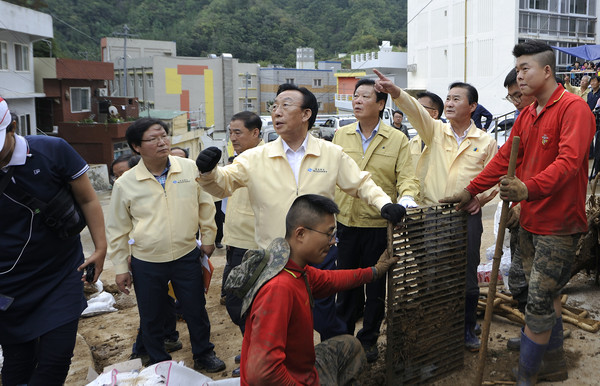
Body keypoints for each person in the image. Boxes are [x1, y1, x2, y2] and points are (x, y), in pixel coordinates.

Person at [196, 83, 406, 341]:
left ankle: (332, 362)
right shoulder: (255, 157)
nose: (276, 113)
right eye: (274, 107)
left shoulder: (330, 153)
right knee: (279, 321)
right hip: (272, 258)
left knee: (325, 317)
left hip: (320, 255)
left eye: (285, 105)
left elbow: (361, 183)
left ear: (306, 114)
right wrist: (208, 172)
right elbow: (223, 184)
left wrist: (385, 204)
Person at [442, 40, 595, 383]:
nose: (520, 76)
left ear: (547, 71)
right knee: (543, 294)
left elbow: (570, 163)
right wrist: (471, 189)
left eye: (526, 68)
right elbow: (502, 160)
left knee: (540, 300)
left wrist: (529, 188)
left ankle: (527, 374)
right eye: (518, 68)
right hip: (529, 219)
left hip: (559, 223)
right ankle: (550, 361)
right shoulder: (528, 113)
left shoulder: (574, 109)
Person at [374, 69, 498, 352]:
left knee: (466, 274)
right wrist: (395, 91)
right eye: (448, 98)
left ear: (472, 106)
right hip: (432, 216)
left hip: (466, 218)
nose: (450, 103)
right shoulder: (436, 131)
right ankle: (437, 326)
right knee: (432, 273)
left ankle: (466, 328)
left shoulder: (485, 142)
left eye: (457, 99)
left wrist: (481, 198)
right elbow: (416, 110)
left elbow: (495, 179)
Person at [229, 194, 400, 385]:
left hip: (300, 370)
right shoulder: (279, 289)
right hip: (285, 380)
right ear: (300, 234)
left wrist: (375, 271)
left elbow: (333, 280)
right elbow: (262, 373)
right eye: (328, 234)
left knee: (348, 346)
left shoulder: (296, 270)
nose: (333, 241)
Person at [0, 98, 107, 385]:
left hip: (59, 272)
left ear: (12, 127)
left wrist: (100, 248)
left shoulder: (52, 151)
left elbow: (88, 199)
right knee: (18, 359)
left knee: (56, 357)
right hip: (8, 282)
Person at [106, 117, 225, 372]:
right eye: (153, 139)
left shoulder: (189, 168)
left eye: (164, 136)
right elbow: (117, 229)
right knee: (152, 316)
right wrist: (120, 267)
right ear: (137, 147)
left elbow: (206, 205)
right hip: (146, 261)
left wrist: (208, 239)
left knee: (195, 310)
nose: (162, 142)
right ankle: (160, 362)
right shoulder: (126, 183)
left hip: (185, 255)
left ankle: (204, 354)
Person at [332, 78, 419, 362]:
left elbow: (407, 178)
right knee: (345, 285)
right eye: (355, 96)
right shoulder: (340, 135)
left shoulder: (397, 139)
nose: (356, 100)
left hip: (379, 226)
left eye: (364, 96)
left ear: (380, 104)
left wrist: (405, 201)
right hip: (345, 223)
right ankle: (343, 339)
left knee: (375, 288)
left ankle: (368, 338)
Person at [221, 111, 264, 377]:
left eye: (238, 132)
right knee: (236, 302)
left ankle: (255, 355)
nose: (233, 137)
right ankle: (251, 346)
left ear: (256, 133)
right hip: (234, 242)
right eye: (230, 132)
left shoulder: (266, 160)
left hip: (254, 245)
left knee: (249, 304)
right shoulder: (237, 160)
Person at [408, 91, 445, 175]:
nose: (415, 111)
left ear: (435, 113)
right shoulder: (413, 142)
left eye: (420, 108)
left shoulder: (447, 139)